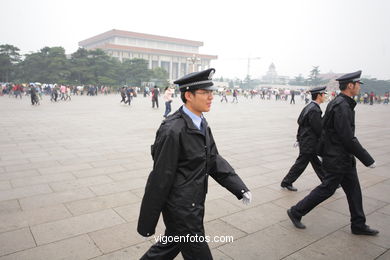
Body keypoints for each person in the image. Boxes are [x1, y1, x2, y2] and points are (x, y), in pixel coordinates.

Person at [137, 68, 252, 260]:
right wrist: (148, 220)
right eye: (205, 93)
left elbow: (213, 158)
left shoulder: (201, 122)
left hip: (194, 202)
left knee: (168, 247)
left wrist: (239, 187)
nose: (211, 97)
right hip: (181, 208)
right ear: (188, 95)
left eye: (211, 92)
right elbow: (160, 177)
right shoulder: (173, 130)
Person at [287, 71, 379, 236]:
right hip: (338, 158)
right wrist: (367, 159)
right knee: (327, 189)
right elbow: (347, 137)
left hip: (343, 157)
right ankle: (296, 211)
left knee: (354, 191)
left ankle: (358, 224)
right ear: (350, 85)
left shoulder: (341, 103)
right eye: (358, 84)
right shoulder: (342, 106)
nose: (359, 87)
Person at [281, 86, 326, 191]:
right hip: (309, 142)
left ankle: (327, 181)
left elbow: (300, 122)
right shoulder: (315, 109)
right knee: (301, 164)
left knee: (316, 163)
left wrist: (298, 138)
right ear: (319, 95)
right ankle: (286, 182)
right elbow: (318, 129)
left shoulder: (309, 106)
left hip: (306, 140)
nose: (325, 97)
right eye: (324, 95)